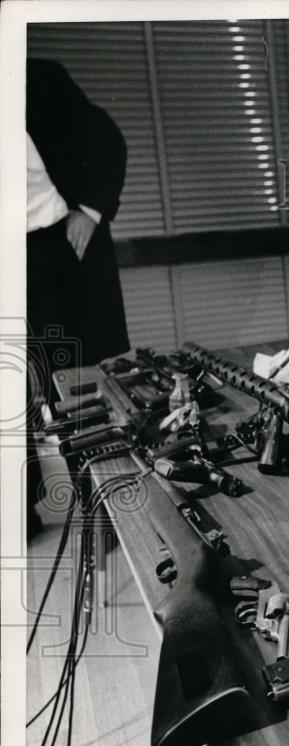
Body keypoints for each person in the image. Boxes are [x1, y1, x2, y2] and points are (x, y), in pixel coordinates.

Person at [26, 58, 130, 538]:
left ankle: (100, 512)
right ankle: (19, 515)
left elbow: (107, 138)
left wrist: (90, 209)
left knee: (73, 388)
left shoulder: (36, 76)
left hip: (51, 248)